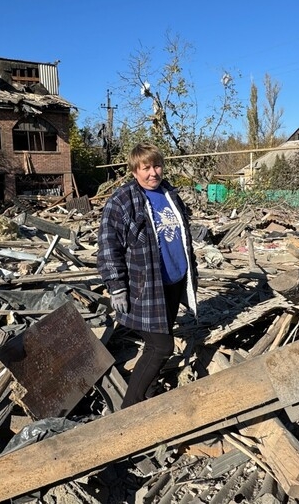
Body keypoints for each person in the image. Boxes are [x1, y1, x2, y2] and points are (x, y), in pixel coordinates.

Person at [98, 142, 198, 408]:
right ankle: (130, 407)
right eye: (146, 168)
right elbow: (109, 245)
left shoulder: (169, 194)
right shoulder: (122, 200)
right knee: (161, 347)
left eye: (157, 165)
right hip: (146, 287)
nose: (153, 173)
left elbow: (182, 236)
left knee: (158, 343)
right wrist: (116, 285)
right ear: (134, 171)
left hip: (173, 282)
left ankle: (149, 394)